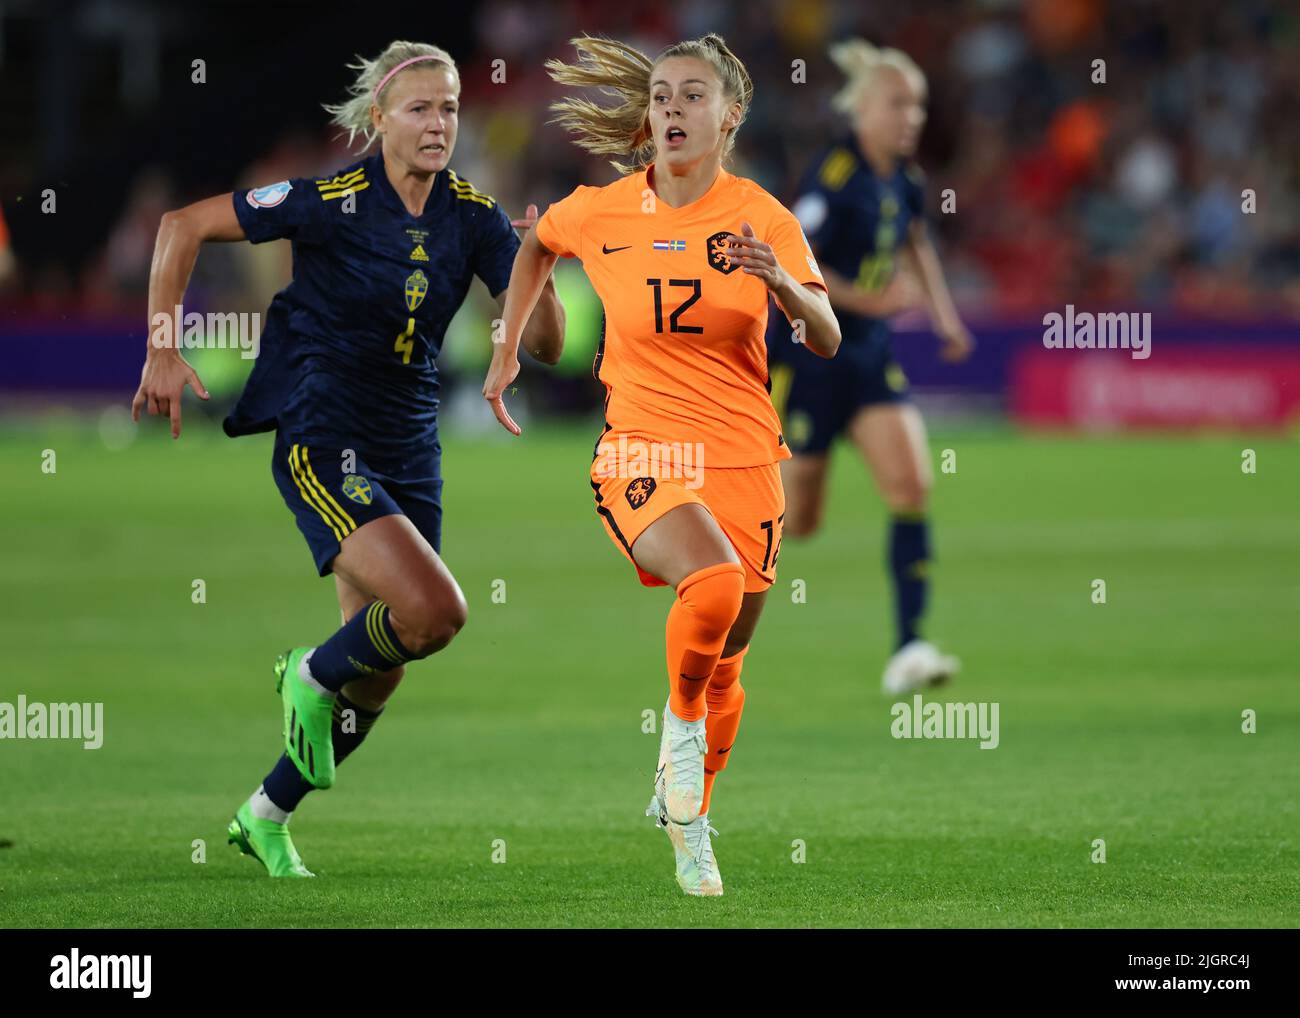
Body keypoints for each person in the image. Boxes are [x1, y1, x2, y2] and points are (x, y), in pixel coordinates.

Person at [132, 40, 564, 877]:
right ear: (380, 120)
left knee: (385, 668)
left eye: (449, 108)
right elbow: (179, 225)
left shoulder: (473, 215)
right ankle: (306, 672)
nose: (439, 123)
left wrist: (539, 258)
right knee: (436, 612)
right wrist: (160, 347)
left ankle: (265, 813)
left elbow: (541, 342)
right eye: (420, 108)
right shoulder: (326, 199)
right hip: (324, 438)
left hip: (413, 450)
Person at [484, 34, 839, 896]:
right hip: (641, 447)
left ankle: (690, 818)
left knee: (730, 663)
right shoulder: (602, 211)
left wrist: (784, 288)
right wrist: (508, 344)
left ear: (730, 114)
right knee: (711, 585)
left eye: (691, 97)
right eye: (661, 97)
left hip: (746, 454)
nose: (672, 111)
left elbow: (827, 336)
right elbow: (534, 247)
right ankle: (676, 749)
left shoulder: (763, 216)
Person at [766, 39, 974, 695]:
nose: (911, 117)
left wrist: (944, 318)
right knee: (798, 524)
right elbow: (793, 259)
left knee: (912, 488)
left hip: (869, 356)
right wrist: (867, 298)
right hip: (809, 356)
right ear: (863, 111)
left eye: (917, 105)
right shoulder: (834, 174)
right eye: (898, 104)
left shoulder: (904, 181)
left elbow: (918, 245)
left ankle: (909, 647)